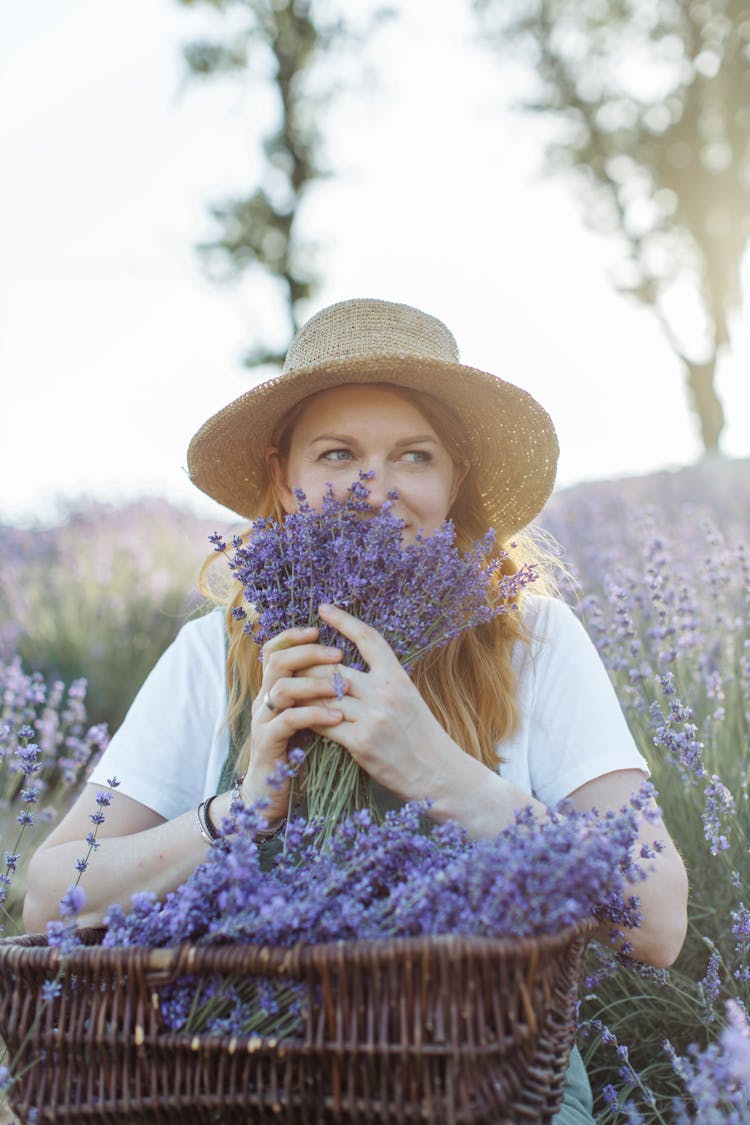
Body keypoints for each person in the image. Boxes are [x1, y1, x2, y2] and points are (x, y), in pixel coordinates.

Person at [23, 297, 688, 1123]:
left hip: (489, 1091)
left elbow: (658, 919)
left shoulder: (534, 642)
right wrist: (240, 810)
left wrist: (437, 769)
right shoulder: (212, 655)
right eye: (339, 454)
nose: (375, 490)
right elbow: (50, 895)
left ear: (456, 479)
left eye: (414, 454)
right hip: (240, 1083)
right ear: (283, 475)